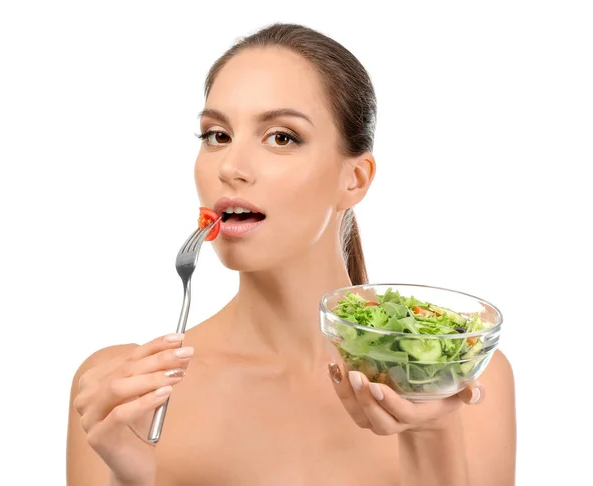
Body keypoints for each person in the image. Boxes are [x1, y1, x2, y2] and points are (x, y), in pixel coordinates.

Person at [66, 23, 516, 486]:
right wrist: (133, 478)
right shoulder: (119, 397)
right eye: (216, 135)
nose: (231, 167)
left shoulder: (459, 372)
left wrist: (432, 434)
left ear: (355, 179)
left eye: (282, 137)